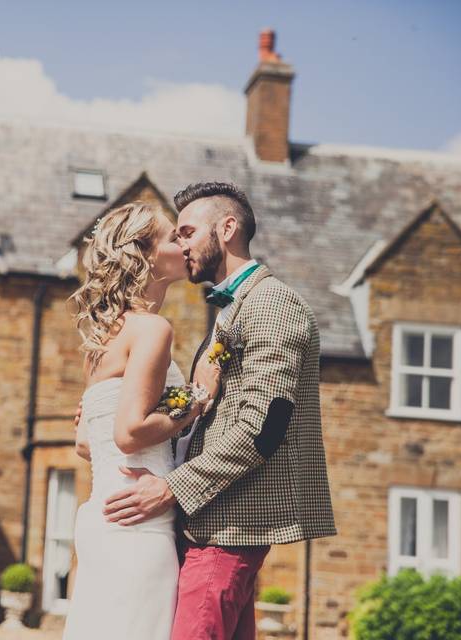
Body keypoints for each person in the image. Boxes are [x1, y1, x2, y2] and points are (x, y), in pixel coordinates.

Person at [101, 182, 337, 640]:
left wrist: (170, 489)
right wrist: (107, 407)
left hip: (228, 528)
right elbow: (206, 411)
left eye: (188, 231)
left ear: (227, 229)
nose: (181, 243)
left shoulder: (272, 304)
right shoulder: (232, 309)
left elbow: (262, 428)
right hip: (210, 526)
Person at [63, 201, 222, 640]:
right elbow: (129, 433)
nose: (185, 244)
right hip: (138, 527)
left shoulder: (102, 338)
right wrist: (197, 398)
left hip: (101, 518)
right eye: (174, 237)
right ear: (146, 254)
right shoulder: (153, 330)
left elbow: (85, 443)